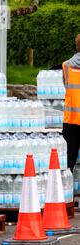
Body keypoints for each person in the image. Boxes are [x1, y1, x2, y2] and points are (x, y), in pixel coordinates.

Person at [62, 34, 80, 173]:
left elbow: (66, 85)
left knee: (69, 161)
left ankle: (66, 193)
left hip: (70, 119)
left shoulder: (66, 65)